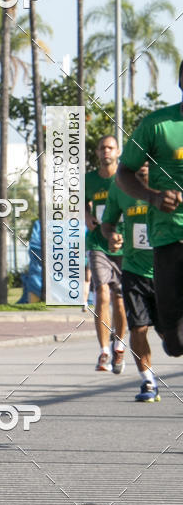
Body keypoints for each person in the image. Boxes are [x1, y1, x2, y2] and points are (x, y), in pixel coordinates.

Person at [117, 61, 183, 358]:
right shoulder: (157, 125)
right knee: (175, 342)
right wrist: (153, 197)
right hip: (168, 238)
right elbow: (124, 174)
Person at [101, 164, 160, 402]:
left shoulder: (169, 182)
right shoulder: (120, 187)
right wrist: (112, 236)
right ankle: (147, 381)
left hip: (164, 269)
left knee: (171, 337)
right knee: (138, 327)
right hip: (133, 269)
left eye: (149, 157)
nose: (144, 163)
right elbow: (108, 223)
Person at [85, 135, 127, 372]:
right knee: (101, 293)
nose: (106, 152)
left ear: (118, 151)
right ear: (97, 153)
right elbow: (80, 201)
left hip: (123, 244)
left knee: (120, 299)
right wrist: (86, 215)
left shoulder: (125, 178)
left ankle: (119, 346)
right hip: (98, 243)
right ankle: (103, 351)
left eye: (110, 148)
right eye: (102, 148)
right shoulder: (88, 179)